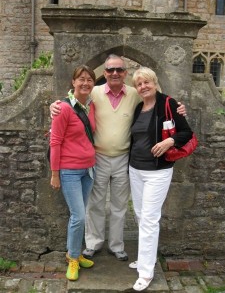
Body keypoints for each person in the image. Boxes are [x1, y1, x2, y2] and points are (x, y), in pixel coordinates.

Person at [50, 54, 186, 262]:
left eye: (119, 70)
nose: (115, 73)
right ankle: (94, 243)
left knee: (119, 204)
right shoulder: (93, 91)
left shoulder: (134, 93)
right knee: (95, 204)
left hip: (124, 157)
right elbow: (73, 99)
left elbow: (156, 98)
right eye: (110, 70)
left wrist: (178, 107)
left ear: (125, 73)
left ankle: (116, 245)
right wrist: (55, 106)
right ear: (104, 73)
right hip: (97, 157)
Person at [128, 67, 193, 291]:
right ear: (136, 88)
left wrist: (169, 142)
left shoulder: (169, 104)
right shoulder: (138, 108)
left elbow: (187, 133)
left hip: (158, 171)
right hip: (135, 169)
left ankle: (145, 273)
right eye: (139, 84)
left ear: (154, 83)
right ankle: (145, 259)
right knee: (139, 215)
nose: (143, 86)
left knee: (149, 219)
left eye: (147, 82)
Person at [50, 65, 96, 281]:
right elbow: (55, 141)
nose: (85, 83)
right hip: (69, 171)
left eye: (89, 80)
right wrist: (55, 174)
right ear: (73, 82)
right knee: (77, 216)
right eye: (81, 79)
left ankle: (75, 252)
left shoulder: (90, 107)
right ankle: (73, 258)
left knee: (82, 214)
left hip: (88, 169)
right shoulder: (63, 108)